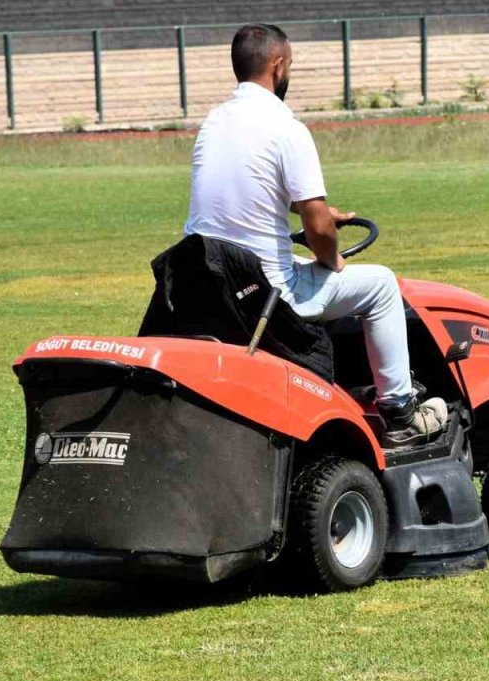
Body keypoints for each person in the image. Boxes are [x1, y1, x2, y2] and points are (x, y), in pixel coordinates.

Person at [183, 23, 447, 448]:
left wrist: (321, 213)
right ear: (278, 65)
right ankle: (400, 414)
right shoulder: (286, 127)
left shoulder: (213, 125)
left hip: (215, 284)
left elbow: (251, 189)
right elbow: (319, 230)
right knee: (380, 285)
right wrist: (328, 250)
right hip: (269, 293)